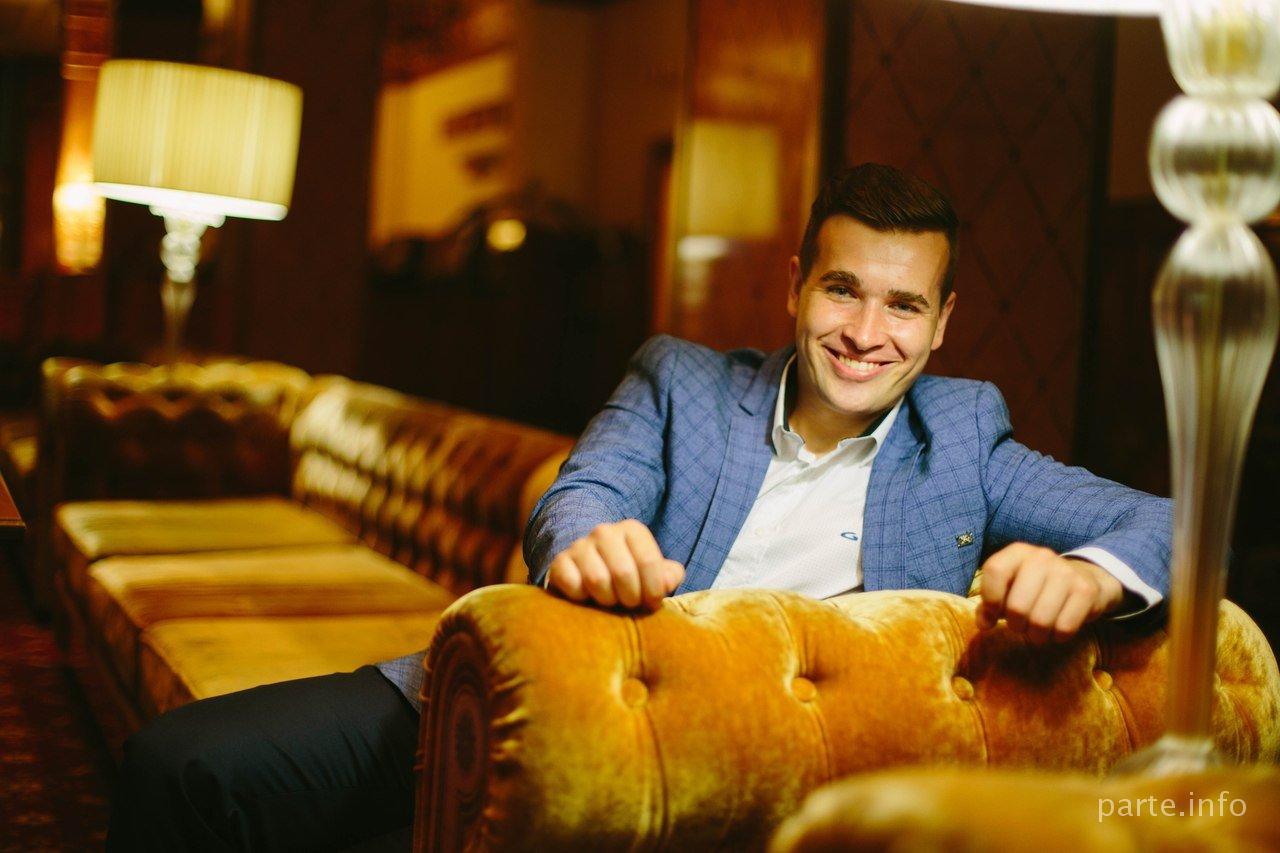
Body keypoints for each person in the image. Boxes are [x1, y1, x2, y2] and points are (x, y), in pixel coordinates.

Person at [108, 164, 1170, 851]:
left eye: (902, 304)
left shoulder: (965, 439)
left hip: (731, 790)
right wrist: (589, 542)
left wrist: (1088, 574)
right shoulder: (681, 381)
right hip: (536, 696)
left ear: (940, 324)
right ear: (795, 286)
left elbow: (1168, 522)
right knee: (181, 767)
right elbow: (580, 494)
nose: (864, 331)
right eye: (842, 289)